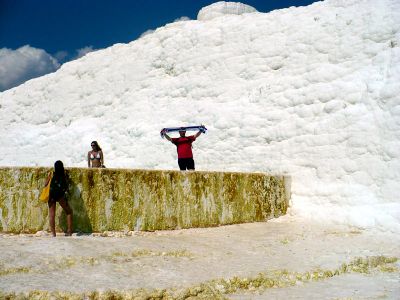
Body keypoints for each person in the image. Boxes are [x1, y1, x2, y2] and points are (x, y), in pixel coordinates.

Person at [45, 160, 73, 237]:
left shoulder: (51, 174)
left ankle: (53, 234)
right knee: (69, 211)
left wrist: (48, 177)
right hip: (60, 195)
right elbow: (66, 185)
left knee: (51, 215)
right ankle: (69, 231)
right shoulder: (64, 175)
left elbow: (45, 184)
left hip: (51, 194)